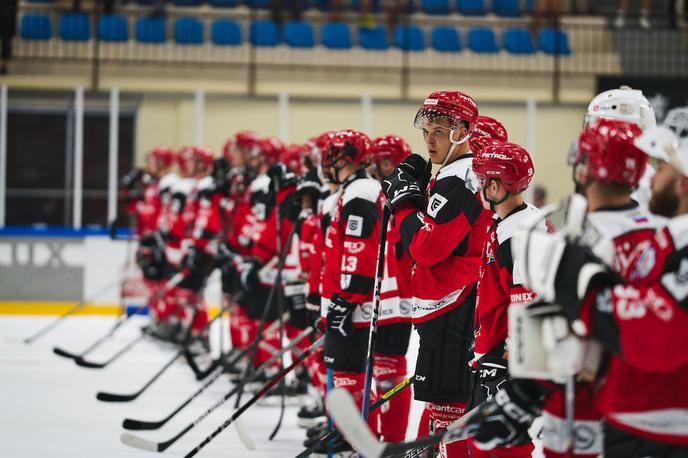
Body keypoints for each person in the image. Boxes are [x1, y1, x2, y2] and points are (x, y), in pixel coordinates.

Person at [466, 118, 676, 458]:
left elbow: (557, 327)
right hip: (650, 403)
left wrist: (524, 386)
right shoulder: (659, 234)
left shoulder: (578, 240)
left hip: (583, 401)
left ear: (585, 171)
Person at [381, 91, 493, 457]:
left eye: (439, 131)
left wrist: (404, 203)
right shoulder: (453, 174)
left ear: (462, 130)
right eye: (426, 130)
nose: (429, 139)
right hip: (448, 302)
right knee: (446, 404)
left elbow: (427, 248)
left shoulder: (460, 179)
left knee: (450, 408)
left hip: (454, 302)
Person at [468, 141, 539, 458]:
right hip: (494, 351)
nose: (480, 188)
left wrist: (507, 359)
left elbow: (528, 303)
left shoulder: (521, 232)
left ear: (495, 185)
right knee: (485, 439)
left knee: (509, 441)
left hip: (508, 359)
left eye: (482, 182)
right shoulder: (506, 224)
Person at [0, 0, 18, 75]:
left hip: (9, 12)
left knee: (6, 40)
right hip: (8, 10)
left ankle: (3, 65)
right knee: (6, 40)